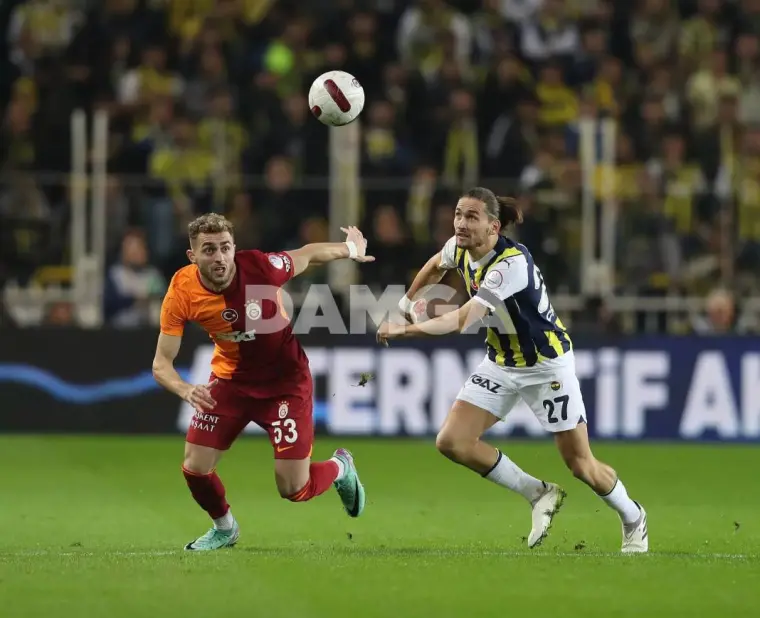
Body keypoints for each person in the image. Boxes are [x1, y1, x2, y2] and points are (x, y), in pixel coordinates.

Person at [377, 187, 648, 553]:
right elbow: (434, 265)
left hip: (545, 366)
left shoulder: (510, 265)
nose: (460, 223)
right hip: (502, 362)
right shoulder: (460, 246)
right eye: (458, 214)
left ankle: (633, 516)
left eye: (471, 217)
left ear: (493, 227)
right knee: (452, 442)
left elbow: (463, 319)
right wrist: (407, 302)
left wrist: (405, 329)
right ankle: (537, 493)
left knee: (581, 465)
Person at [152, 213, 373, 550]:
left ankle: (340, 467)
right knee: (195, 468)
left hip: (285, 383)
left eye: (225, 248)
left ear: (234, 248)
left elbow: (306, 255)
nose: (220, 257)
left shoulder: (259, 268)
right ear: (192, 256)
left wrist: (348, 248)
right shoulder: (182, 291)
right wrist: (185, 389)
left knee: (293, 489)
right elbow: (161, 365)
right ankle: (225, 528)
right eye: (209, 250)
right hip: (230, 382)